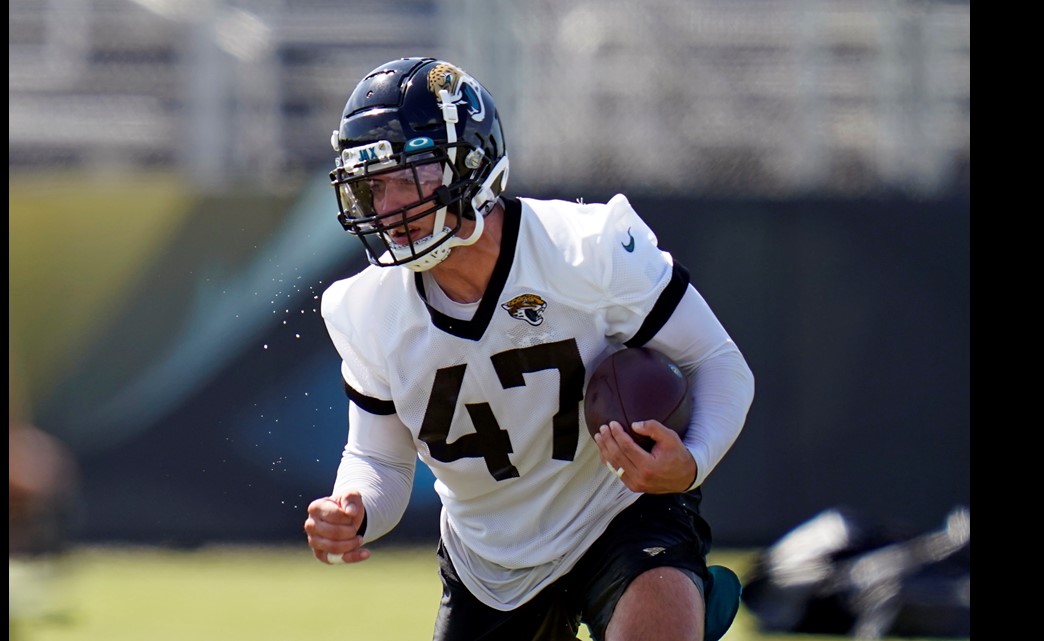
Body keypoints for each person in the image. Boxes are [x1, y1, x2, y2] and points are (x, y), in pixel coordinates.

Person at [305, 57, 755, 641]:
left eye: (407, 177)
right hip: (490, 559)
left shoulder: (587, 250)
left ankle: (681, 588)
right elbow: (381, 462)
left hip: (616, 509)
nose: (387, 207)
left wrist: (688, 462)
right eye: (371, 185)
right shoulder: (364, 309)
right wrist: (354, 509)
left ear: (471, 167)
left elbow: (719, 364)